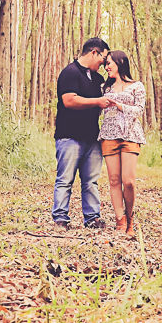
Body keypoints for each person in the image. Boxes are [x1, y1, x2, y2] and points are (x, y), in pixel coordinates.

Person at [52, 37, 112, 229]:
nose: (103, 63)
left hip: (92, 138)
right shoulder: (70, 72)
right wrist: (97, 101)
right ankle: (60, 218)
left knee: (91, 181)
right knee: (65, 179)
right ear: (94, 52)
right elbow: (69, 100)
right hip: (69, 136)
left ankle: (92, 218)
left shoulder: (99, 80)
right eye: (103, 58)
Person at [99, 50, 145, 238]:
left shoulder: (136, 86)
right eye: (106, 64)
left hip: (130, 135)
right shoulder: (104, 88)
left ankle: (130, 218)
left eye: (109, 63)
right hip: (108, 135)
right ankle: (120, 220)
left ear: (120, 63)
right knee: (114, 180)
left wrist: (118, 105)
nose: (106, 67)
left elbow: (139, 110)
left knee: (129, 181)